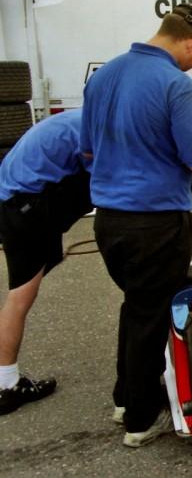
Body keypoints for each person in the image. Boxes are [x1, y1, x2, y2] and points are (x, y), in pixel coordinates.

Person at [80, 3, 192, 447]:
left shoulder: (103, 75)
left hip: (109, 222)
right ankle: (141, 421)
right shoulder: (174, 84)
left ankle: (125, 397)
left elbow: (86, 152)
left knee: (136, 308)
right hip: (155, 223)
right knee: (151, 317)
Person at [0, 110, 93, 415]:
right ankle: (6, 385)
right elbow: (108, 178)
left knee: (40, 270)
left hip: (19, 195)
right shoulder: (92, 131)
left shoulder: (82, 117)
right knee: (21, 296)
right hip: (24, 203)